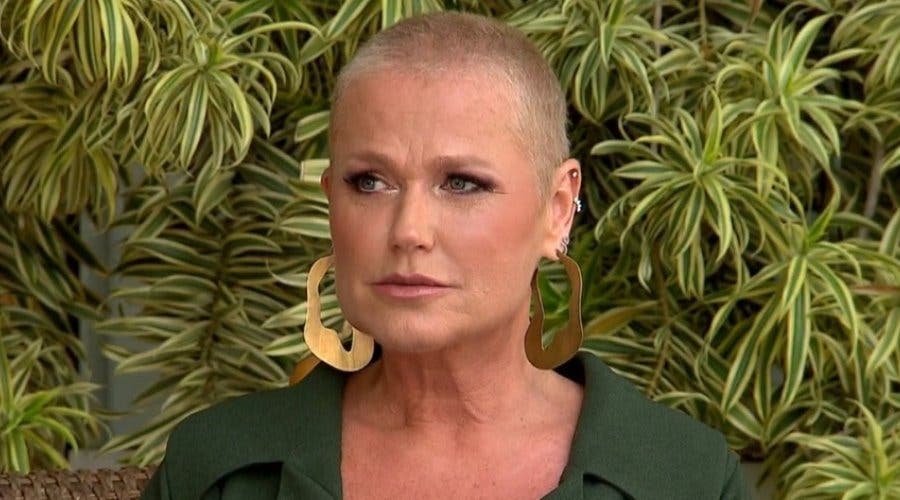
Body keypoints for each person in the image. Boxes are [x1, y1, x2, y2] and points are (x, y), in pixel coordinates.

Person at [142, 11, 749, 500]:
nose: (409, 231)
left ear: (558, 209)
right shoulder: (219, 470)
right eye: (369, 182)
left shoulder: (683, 477)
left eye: (461, 183)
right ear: (331, 204)